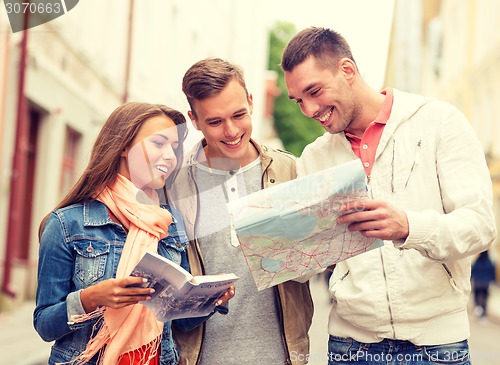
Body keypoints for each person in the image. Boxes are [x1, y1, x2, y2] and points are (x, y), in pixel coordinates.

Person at [281, 27, 496, 365]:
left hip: (439, 346)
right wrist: (280, 243)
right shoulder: (314, 157)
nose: (308, 110)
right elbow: (306, 265)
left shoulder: (439, 122)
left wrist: (409, 226)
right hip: (351, 347)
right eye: (298, 101)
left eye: (314, 91)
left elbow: (480, 225)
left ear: (347, 70)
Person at [34, 102, 233, 365]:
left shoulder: (170, 223)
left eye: (174, 148)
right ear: (124, 146)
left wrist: (211, 299)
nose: (170, 156)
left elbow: (180, 322)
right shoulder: (67, 224)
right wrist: (91, 298)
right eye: (159, 143)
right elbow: (45, 325)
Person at [168, 57, 313, 365]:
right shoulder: (173, 184)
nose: (232, 131)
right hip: (196, 358)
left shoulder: (289, 169)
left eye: (238, 115)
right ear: (194, 120)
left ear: (251, 101)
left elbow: (311, 263)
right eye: (215, 122)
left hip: (281, 356)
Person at [471, 250, 496, 319]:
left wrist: (471, 280)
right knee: (485, 298)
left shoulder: (477, 262)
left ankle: (478, 308)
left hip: (477, 283)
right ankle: (483, 314)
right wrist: (493, 282)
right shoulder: (490, 262)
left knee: (476, 297)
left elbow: (472, 272)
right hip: (486, 284)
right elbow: (493, 274)